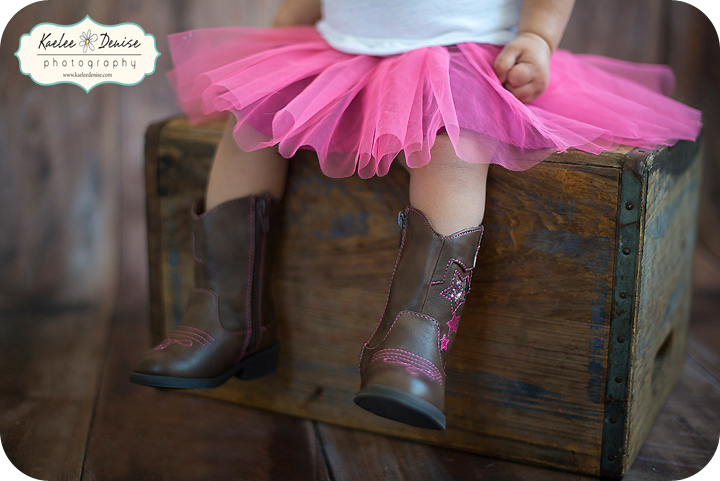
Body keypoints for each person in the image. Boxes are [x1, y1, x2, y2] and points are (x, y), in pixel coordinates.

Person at [130, 0, 702, 430]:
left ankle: (414, 338)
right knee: (250, 125)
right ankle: (228, 317)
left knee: (452, 145)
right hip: (337, 52)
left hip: (463, 57)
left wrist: (538, 35)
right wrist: (284, 34)